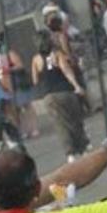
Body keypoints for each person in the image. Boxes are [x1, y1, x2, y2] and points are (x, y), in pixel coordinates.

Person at [31, 31, 90, 162]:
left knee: (60, 124)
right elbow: (66, 71)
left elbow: (34, 80)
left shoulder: (36, 59)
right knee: (75, 120)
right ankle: (83, 148)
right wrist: (77, 86)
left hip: (49, 96)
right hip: (65, 91)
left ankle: (70, 153)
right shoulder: (57, 54)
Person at [5, 49, 38, 139]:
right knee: (17, 110)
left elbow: (20, 65)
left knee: (27, 107)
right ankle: (24, 129)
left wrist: (9, 69)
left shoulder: (9, 53)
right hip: (11, 86)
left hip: (19, 83)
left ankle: (33, 128)